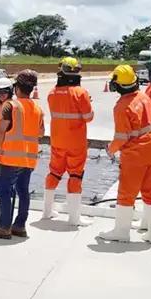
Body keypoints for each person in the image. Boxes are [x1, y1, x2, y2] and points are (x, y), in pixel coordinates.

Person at [98, 65, 151, 245]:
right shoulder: (145, 97)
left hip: (135, 154)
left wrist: (110, 149)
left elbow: (121, 137)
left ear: (118, 85)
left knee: (126, 194)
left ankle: (121, 231)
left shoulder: (122, 106)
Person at [0, 70, 44, 239]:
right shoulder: (38, 109)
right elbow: (41, 133)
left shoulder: (10, 106)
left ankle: (3, 227)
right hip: (29, 157)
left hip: (11, 157)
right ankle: (19, 226)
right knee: (23, 190)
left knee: (3, 190)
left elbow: (1, 131)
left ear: (16, 88)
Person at [44, 57, 93, 226]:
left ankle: (47, 211)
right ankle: (74, 218)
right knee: (75, 175)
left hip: (57, 140)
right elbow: (89, 117)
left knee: (54, 173)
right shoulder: (81, 93)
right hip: (76, 143)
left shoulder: (52, 93)